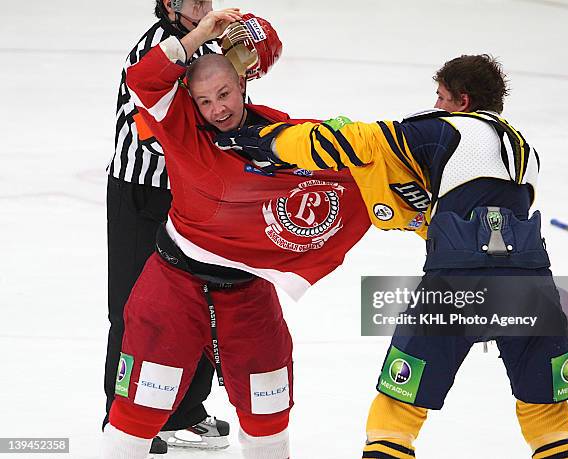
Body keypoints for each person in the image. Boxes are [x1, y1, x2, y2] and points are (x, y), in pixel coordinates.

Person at [216, 55, 568, 458]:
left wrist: (269, 141)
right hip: (532, 283)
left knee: (400, 408)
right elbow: (474, 210)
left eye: (442, 97)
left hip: (458, 284)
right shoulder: (524, 148)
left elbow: (355, 141)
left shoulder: (442, 130)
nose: (437, 104)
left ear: (462, 100)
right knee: (549, 417)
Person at [102, 7, 371, 459]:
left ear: (244, 84)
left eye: (224, 95)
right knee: (136, 414)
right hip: (172, 283)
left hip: (247, 298)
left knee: (268, 420)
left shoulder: (282, 132)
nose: (218, 109)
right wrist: (203, 32)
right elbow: (144, 80)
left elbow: (355, 170)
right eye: (205, 101)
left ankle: (187, 415)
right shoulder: (183, 121)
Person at [105, 0, 230, 453]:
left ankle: (185, 412)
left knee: (197, 303)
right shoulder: (157, 47)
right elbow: (146, 126)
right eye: (194, 1)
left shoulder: (209, 46)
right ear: (170, 5)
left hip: (190, 195)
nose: (205, 7)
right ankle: (120, 415)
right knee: (132, 308)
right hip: (142, 193)